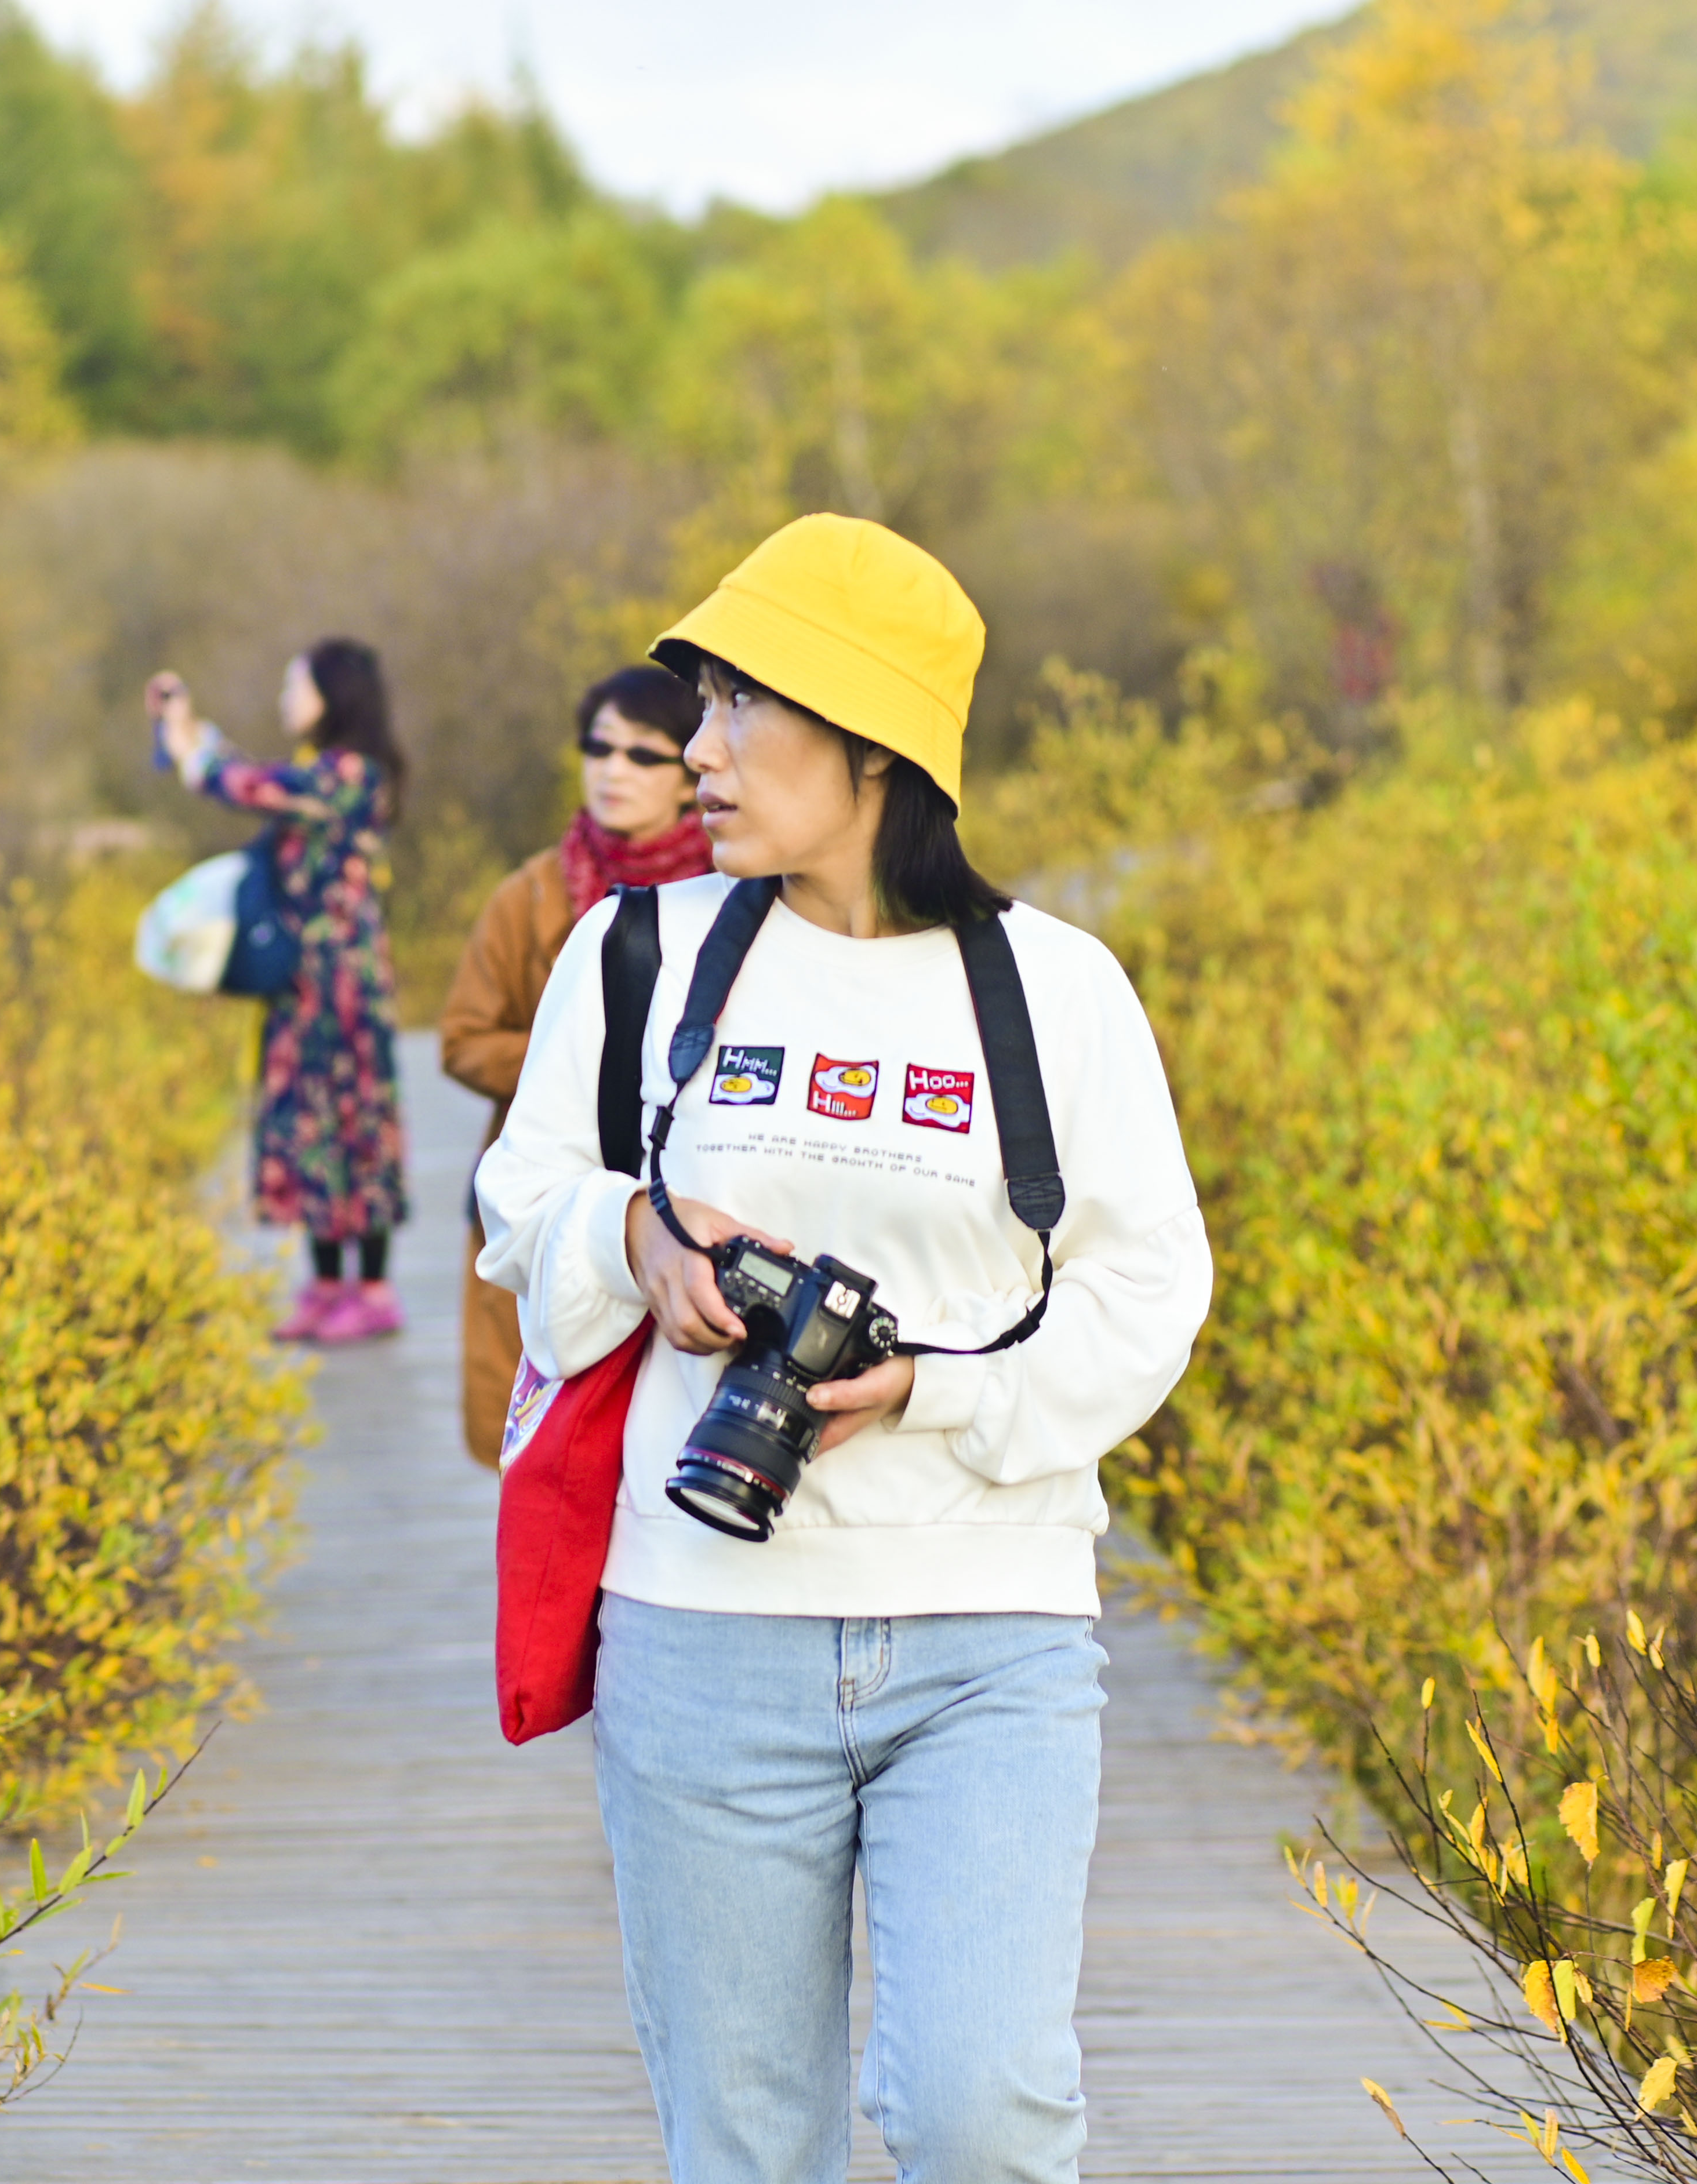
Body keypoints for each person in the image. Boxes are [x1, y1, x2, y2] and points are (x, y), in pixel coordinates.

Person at [473, 516, 1211, 2184]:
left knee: (983, 2112)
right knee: (746, 2145)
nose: (699, 753)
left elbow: (1147, 1287)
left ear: (874, 744)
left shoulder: (1058, 991)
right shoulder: (642, 953)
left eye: (744, 709)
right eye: (698, 710)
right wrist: (636, 1242)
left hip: (992, 1636)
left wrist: (943, 1385)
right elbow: (521, 1199)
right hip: (700, 1627)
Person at [440, 665, 714, 1466]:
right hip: (546, 1197)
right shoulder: (530, 895)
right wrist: (601, 1057)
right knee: (542, 1440)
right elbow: (462, 1037)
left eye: (642, 754)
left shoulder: (736, 891)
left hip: (692, 1200)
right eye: (598, 747)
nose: (612, 769)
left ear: (689, 771)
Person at [147, 642, 412, 1343]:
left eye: (298, 684)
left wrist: (190, 750)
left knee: (352, 1124)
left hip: (345, 986)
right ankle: (326, 1286)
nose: (286, 697)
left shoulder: (351, 774)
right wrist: (192, 734)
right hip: (304, 981)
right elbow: (257, 778)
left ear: (336, 693)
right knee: (304, 1124)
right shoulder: (321, 772)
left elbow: (247, 786)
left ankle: (374, 1290)